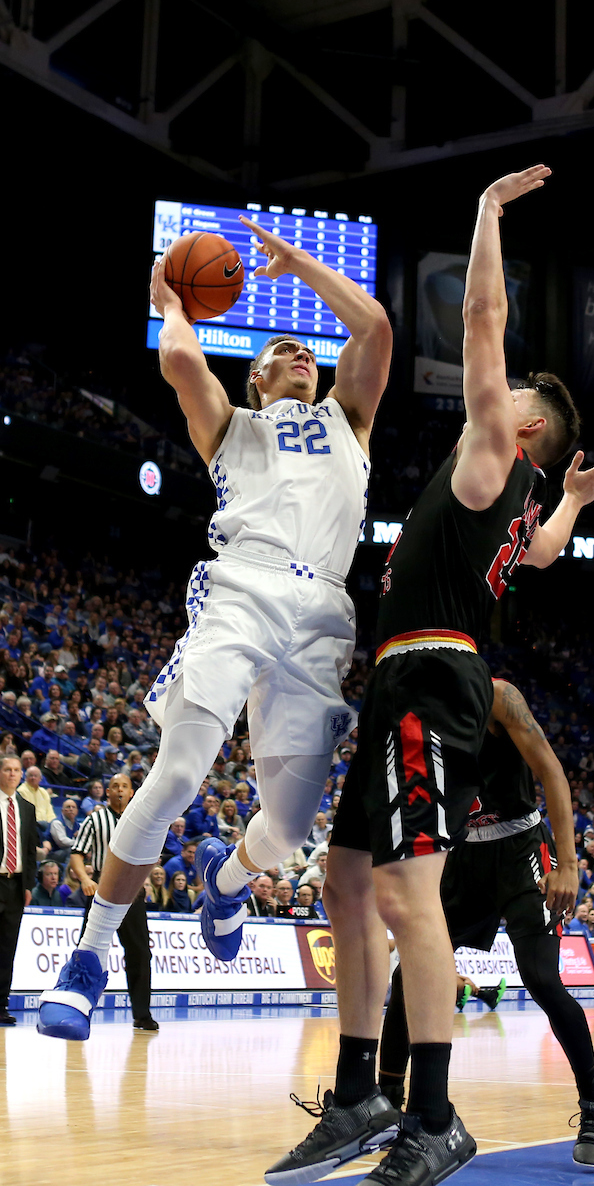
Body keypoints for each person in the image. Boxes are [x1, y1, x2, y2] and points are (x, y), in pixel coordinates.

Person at [270, 166, 594, 1186]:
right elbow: (545, 550)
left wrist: (484, 212)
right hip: (404, 677)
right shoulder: (519, 501)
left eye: (513, 398)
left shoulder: (489, 451)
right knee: (346, 878)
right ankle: (358, 1093)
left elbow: (480, 314)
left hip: (433, 676)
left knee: (402, 888)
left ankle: (432, 1117)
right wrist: (573, 499)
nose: (496, 393)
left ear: (522, 429)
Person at [38, 209, 393, 1043]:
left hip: (324, 616)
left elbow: (374, 327)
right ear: (256, 379)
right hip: (242, 590)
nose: (300, 356)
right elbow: (178, 361)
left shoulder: (350, 419)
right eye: (282, 353)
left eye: (306, 353)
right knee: (178, 774)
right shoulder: (231, 426)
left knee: (290, 829)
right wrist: (171, 303)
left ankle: (226, 881)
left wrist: (299, 264)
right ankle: (88, 958)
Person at [378, 679, 594, 1165]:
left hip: (522, 847)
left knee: (542, 979)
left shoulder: (497, 696)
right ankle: (385, 1104)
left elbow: (552, 773)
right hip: (463, 854)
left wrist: (568, 864)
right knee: (409, 977)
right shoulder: (413, 707)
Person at [38, 773, 159, 1035]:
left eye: (124, 786)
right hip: (102, 890)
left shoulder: (142, 820)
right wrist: (84, 879)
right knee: (87, 953)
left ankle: (142, 1014)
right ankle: (76, 1006)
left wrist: (147, 880)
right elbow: (77, 854)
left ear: (131, 792)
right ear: (107, 792)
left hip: (134, 893)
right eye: (115, 786)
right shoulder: (95, 819)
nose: (119, 790)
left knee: (140, 953)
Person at [0, 755, 38, 1025]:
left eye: (16, 770)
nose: (12, 774)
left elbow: (30, 851)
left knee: (7, 948)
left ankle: (1, 1004)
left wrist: (28, 885)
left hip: (16, 885)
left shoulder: (26, 807)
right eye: (7, 769)